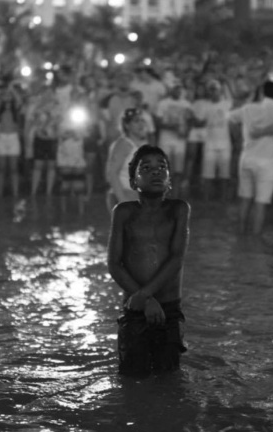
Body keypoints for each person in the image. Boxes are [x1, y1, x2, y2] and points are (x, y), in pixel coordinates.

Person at [107, 144, 190, 376]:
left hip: (168, 309)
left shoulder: (179, 209)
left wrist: (145, 296)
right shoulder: (123, 212)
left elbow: (176, 258)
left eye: (162, 167)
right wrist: (145, 300)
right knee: (132, 379)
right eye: (146, 168)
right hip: (134, 310)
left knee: (168, 379)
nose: (156, 172)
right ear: (133, 182)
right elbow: (114, 264)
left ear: (169, 180)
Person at [229, 80, 273, 235]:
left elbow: (230, 118)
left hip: (247, 157)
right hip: (267, 161)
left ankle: (241, 233)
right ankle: (255, 236)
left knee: (245, 198)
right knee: (261, 202)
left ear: (261, 92)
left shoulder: (248, 108)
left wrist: (238, 139)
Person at [105, 108, 149, 211]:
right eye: (136, 121)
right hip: (124, 194)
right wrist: (123, 201)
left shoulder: (137, 145)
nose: (141, 124)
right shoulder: (123, 144)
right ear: (127, 125)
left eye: (142, 120)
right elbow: (112, 173)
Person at [0, 85, 22, 198]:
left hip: (13, 137)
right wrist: (0, 95)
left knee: (14, 168)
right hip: (1, 137)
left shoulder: (16, 108)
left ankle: (15, 192)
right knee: (1, 168)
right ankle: (0, 193)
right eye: (5, 95)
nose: (7, 97)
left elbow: (19, 100)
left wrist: (12, 90)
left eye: (9, 95)